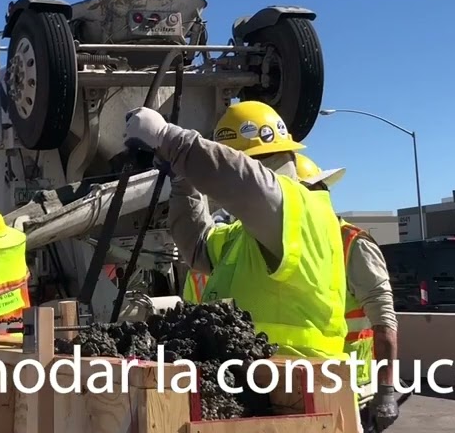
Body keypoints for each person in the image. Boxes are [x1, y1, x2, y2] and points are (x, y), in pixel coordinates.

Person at [123, 99, 348, 361]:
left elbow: (241, 180)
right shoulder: (246, 234)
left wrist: (170, 139)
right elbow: (197, 244)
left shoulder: (300, 211)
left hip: (300, 380)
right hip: (264, 379)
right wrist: (183, 180)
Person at [293, 154, 400, 433]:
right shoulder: (293, 246)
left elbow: (385, 322)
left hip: (353, 392)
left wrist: (386, 390)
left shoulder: (352, 244)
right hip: (307, 388)